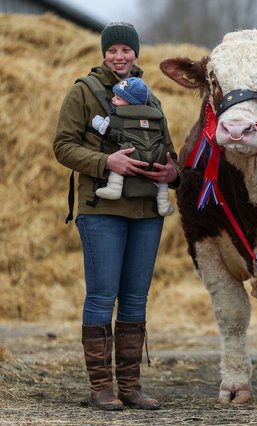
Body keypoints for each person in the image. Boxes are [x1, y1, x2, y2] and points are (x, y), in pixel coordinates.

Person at [53, 22, 179, 411]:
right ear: (104, 54)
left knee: (136, 298)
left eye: (126, 50)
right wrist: (105, 161)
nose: (119, 57)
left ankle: (130, 385)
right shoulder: (83, 92)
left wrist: (172, 174)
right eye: (113, 51)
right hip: (101, 208)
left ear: (136, 54)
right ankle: (101, 388)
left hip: (145, 211)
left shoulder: (151, 99)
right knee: (102, 295)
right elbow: (63, 146)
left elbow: (167, 151)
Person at [91, 76, 175, 216]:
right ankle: (164, 202)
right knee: (162, 170)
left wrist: (96, 120)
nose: (113, 100)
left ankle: (114, 187)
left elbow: (103, 127)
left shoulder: (119, 117)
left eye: (117, 98)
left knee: (123, 154)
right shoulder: (155, 118)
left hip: (134, 157)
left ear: (130, 103)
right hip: (156, 157)